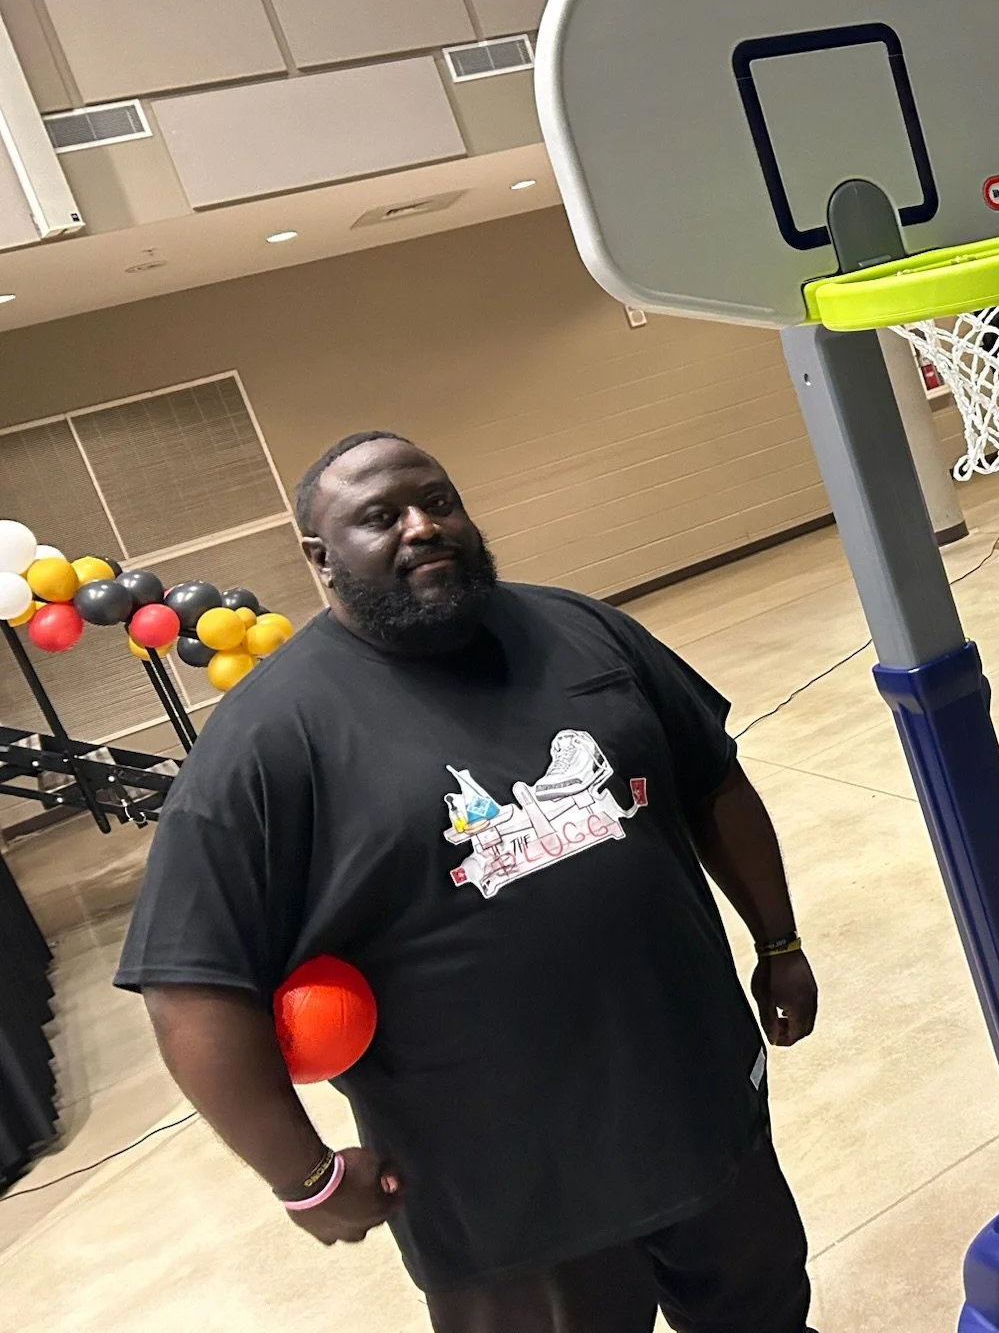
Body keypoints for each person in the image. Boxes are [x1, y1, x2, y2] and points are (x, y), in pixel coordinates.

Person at [116, 432, 819, 1331]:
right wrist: (302, 1177)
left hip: (699, 1109)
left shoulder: (581, 628)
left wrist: (780, 942)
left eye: (438, 501)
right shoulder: (266, 739)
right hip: (499, 1190)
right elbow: (190, 984)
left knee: (766, 1314)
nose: (422, 527)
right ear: (319, 556)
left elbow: (712, 780)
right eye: (380, 517)